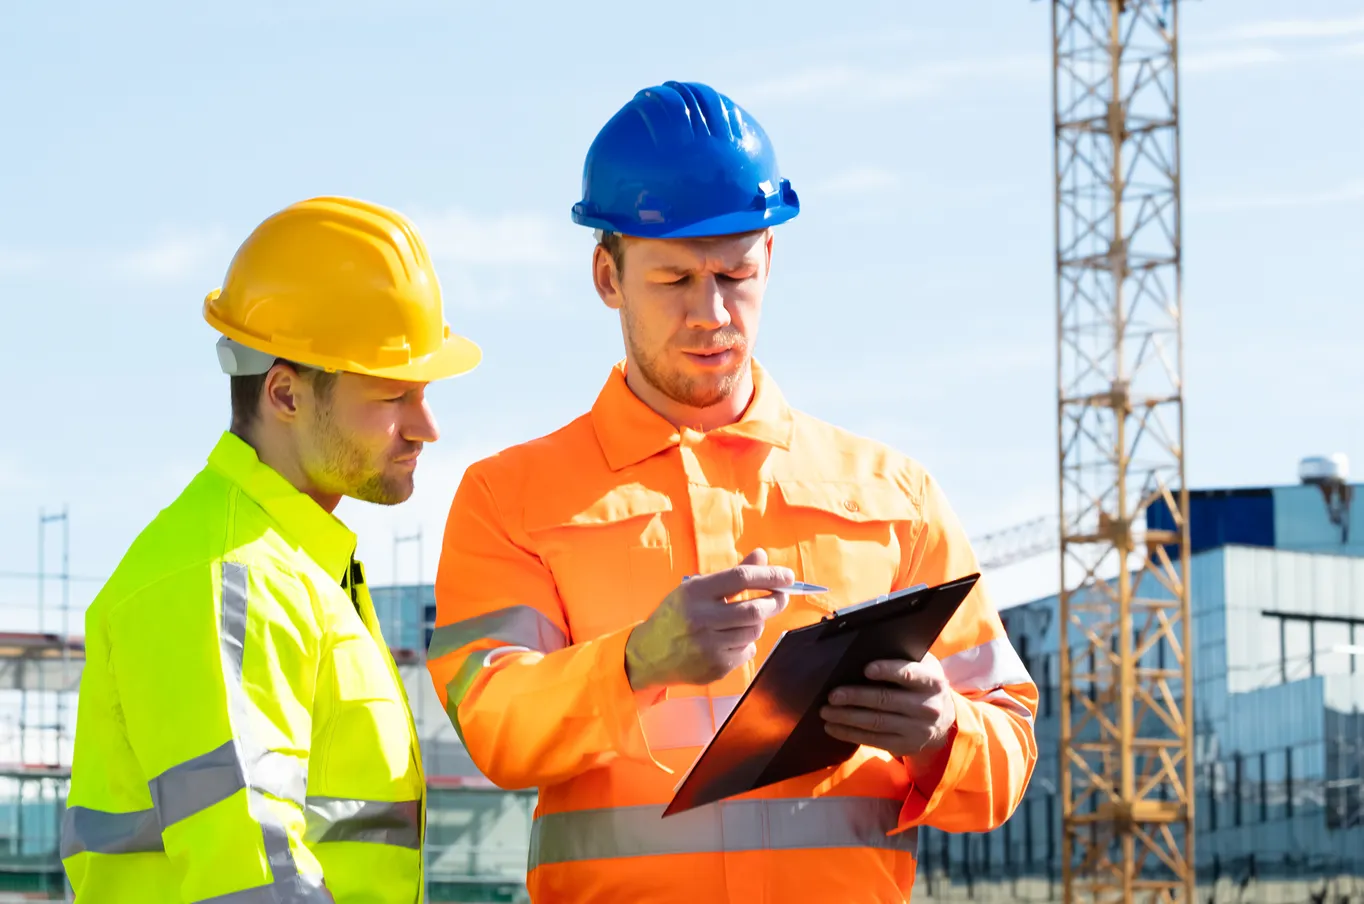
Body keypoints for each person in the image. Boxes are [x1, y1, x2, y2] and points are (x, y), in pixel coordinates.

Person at [426, 81, 1038, 903]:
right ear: (607, 274)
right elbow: (494, 727)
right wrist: (638, 663)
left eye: (734, 274)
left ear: (770, 260)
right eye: (674, 278)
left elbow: (1006, 755)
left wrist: (942, 733)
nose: (711, 313)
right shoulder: (513, 499)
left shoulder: (895, 496)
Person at [61, 196, 482, 903]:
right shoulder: (230, 575)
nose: (426, 426)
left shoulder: (294, 566)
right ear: (285, 394)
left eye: (425, 392)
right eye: (392, 396)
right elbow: (252, 875)